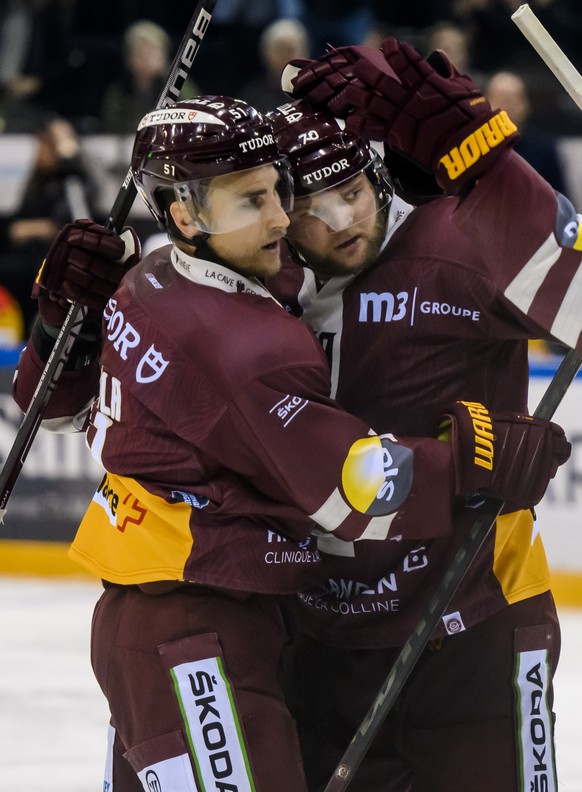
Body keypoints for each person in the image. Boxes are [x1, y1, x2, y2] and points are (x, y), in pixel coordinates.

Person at [12, 95, 565, 792]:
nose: (285, 218)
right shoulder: (248, 337)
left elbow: (48, 410)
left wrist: (63, 320)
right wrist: (473, 463)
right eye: (260, 202)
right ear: (185, 215)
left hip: (210, 625)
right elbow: (349, 490)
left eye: (281, 192)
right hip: (205, 631)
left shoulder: (154, 273)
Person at [261, 37, 581, 791]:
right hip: (319, 646)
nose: (341, 221)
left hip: (474, 628)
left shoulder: (456, 239)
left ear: (379, 173)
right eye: (310, 206)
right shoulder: (259, 283)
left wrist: (487, 165)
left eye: (354, 191)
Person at [0, 113, 98, 334]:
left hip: (54, 260)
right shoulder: (36, 183)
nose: (40, 151)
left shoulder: (72, 182)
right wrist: (30, 228)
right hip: (25, 257)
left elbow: (80, 224)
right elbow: (15, 226)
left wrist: (68, 158)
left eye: (47, 144)